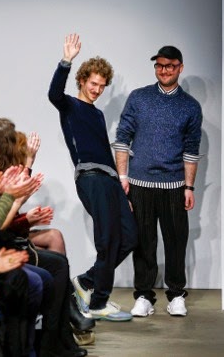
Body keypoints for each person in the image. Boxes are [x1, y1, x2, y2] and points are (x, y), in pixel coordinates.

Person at [48, 33, 137, 321]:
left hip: (109, 180)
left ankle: (86, 282)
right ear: (82, 80)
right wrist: (66, 61)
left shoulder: (97, 115)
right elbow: (54, 94)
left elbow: (106, 153)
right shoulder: (69, 106)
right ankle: (98, 303)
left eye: (101, 85)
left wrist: (120, 189)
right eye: (93, 84)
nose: (97, 90)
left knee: (130, 237)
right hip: (90, 178)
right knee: (108, 239)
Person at [113, 45, 203, 317]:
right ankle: (143, 296)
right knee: (143, 243)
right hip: (139, 184)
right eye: (160, 65)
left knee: (176, 242)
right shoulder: (139, 98)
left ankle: (176, 295)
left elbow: (191, 150)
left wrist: (189, 187)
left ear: (180, 68)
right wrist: (122, 177)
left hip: (174, 185)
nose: (164, 70)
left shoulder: (190, 106)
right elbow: (122, 138)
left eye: (170, 66)